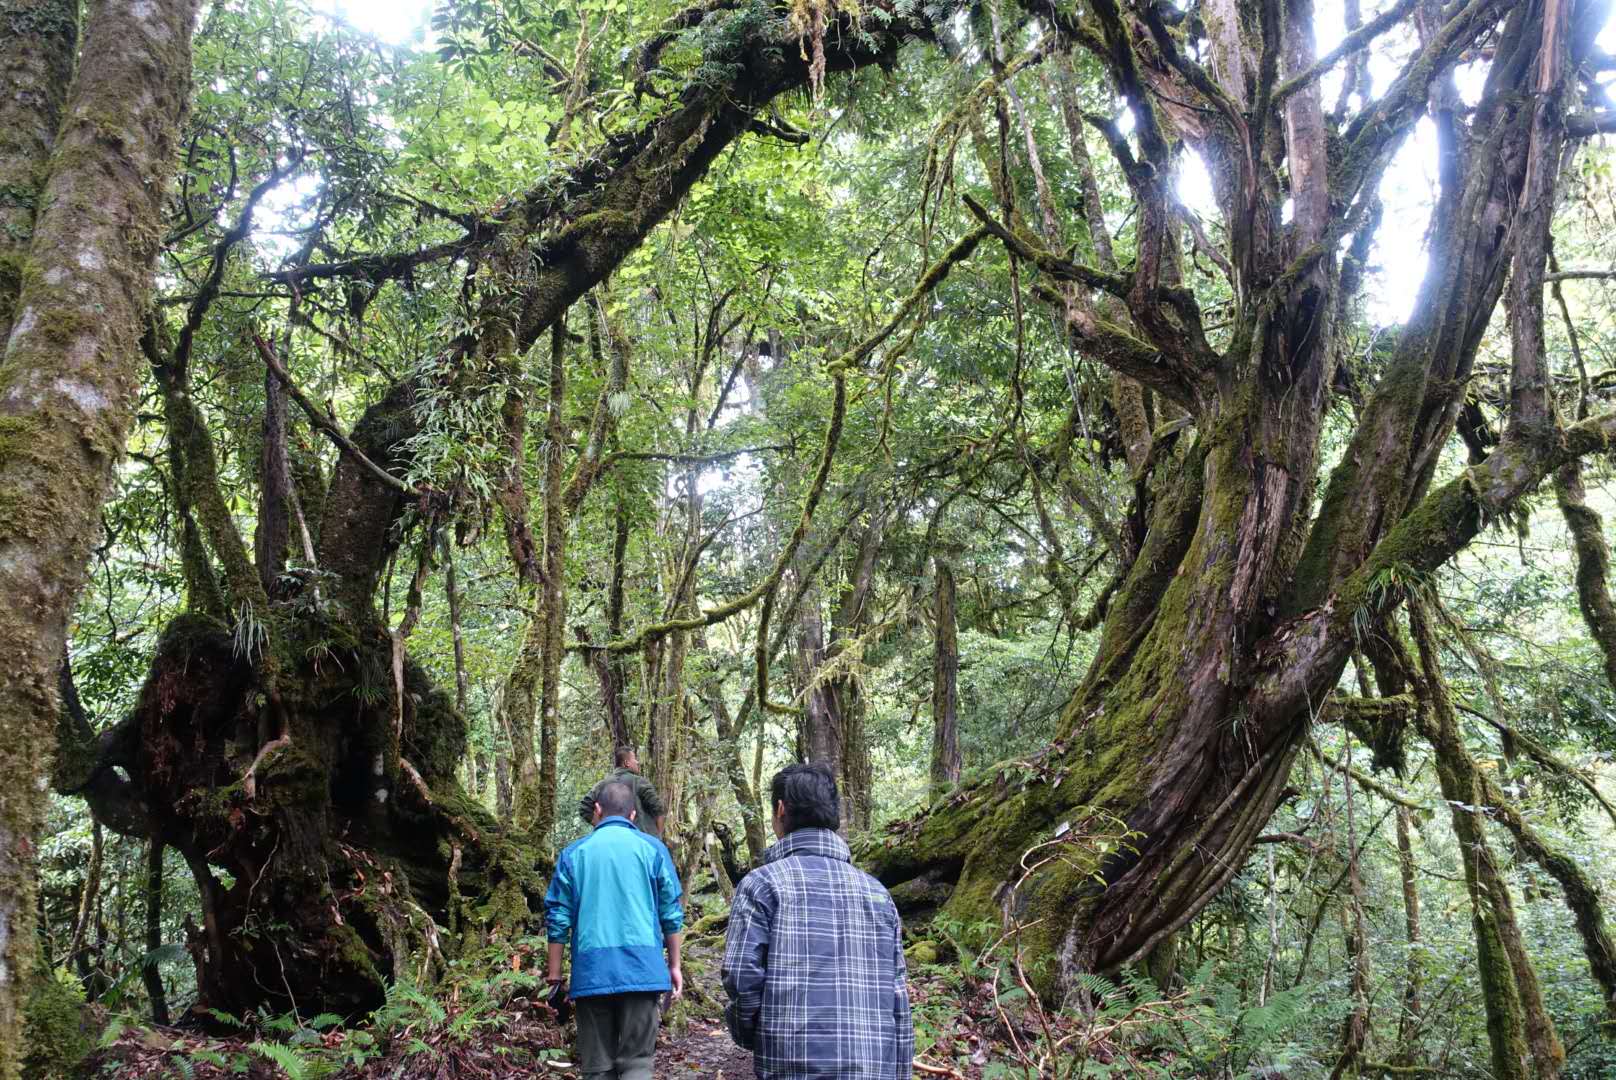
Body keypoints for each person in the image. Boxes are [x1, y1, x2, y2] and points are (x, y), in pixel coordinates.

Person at [721, 763, 913, 1079]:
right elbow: (898, 996)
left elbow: (742, 976)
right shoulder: (878, 894)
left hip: (791, 1065)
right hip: (872, 1066)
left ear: (780, 810)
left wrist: (752, 1035)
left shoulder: (762, 885)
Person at [546, 781, 685, 1080]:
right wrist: (674, 965)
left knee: (597, 1068)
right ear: (633, 814)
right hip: (643, 971)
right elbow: (671, 913)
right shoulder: (653, 849)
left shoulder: (573, 854)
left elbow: (557, 918)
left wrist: (554, 977)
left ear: (597, 810)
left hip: (592, 973)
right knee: (637, 1064)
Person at [578, 746, 667, 838]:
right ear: (626, 763)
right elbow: (658, 809)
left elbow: (584, 807)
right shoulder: (639, 782)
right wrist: (658, 837)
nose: (637, 762)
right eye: (634, 759)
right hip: (640, 838)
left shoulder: (602, 784)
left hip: (611, 838)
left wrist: (600, 825)